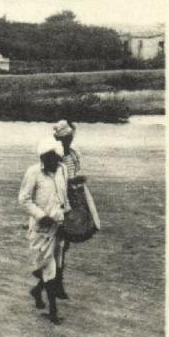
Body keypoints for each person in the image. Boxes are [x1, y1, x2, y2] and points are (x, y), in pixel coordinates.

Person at [19, 136, 71, 325]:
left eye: (54, 158)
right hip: (41, 230)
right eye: (47, 158)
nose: (52, 162)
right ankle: (54, 312)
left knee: (56, 266)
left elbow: (64, 197)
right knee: (49, 268)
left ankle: (37, 291)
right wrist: (41, 216)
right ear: (42, 157)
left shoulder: (62, 170)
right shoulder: (33, 173)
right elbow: (23, 199)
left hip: (59, 226)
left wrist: (67, 220)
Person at [52, 119, 101, 299]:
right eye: (65, 138)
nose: (68, 141)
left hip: (73, 200)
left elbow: (72, 175)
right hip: (59, 200)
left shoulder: (73, 154)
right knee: (59, 243)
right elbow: (56, 180)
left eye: (69, 137)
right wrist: (76, 181)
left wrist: (77, 183)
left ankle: (55, 282)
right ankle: (55, 283)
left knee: (64, 244)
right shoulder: (54, 155)